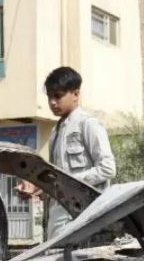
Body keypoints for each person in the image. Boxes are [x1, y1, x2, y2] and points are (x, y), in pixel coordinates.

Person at [19, 66, 116, 239]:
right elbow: (57, 178)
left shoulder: (88, 124)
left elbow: (108, 168)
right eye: (49, 96)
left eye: (58, 96)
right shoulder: (56, 132)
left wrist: (70, 182)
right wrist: (37, 188)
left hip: (83, 218)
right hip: (58, 218)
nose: (52, 102)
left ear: (76, 94)